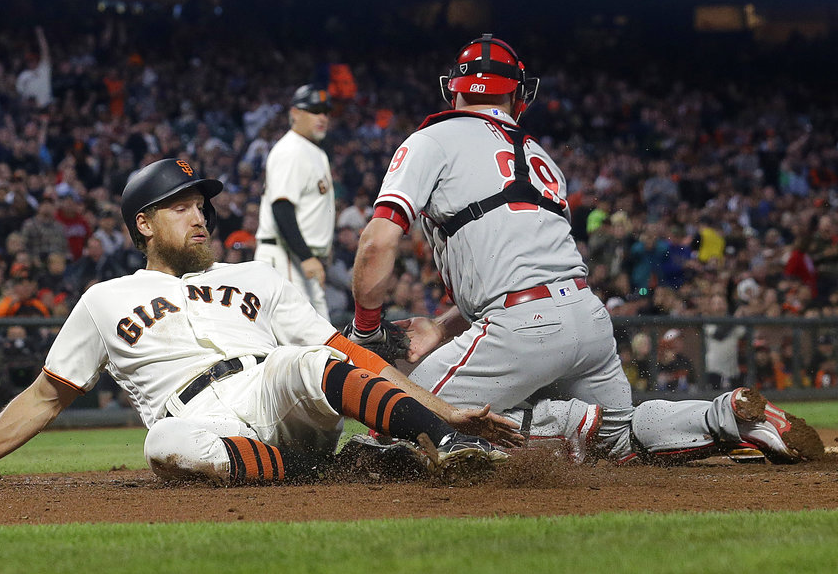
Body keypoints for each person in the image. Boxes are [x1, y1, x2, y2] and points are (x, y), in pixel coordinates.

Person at [0, 158, 521, 490]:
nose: (199, 215)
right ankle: (340, 469)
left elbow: (344, 350)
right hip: (202, 421)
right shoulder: (104, 298)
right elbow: (43, 396)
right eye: (178, 206)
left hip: (273, 388)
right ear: (143, 226)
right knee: (163, 447)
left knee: (307, 361)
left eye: (200, 203)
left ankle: (448, 445)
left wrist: (441, 410)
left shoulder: (256, 277)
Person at [348, 34, 824, 465]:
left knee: (392, 425)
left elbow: (377, 242)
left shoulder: (431, 139)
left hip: (522, 327)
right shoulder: (542, 158)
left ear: (452, 90)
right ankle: (731, 417)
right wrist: (442, 325)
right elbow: (528, 269)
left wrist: (366, 329)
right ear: (519, 96)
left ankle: (562, 425)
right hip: (586, 319)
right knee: (619, 438)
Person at [254, 85, 335, 319]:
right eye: (314, 110)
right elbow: (282, 208)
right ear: (295, 113)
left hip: (298, 257)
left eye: (326, 112)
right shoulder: (291, 150)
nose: (322, 117)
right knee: (303, 342)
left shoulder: (313, 151)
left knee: (318, 340)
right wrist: (307, 256)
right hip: (287, 257)